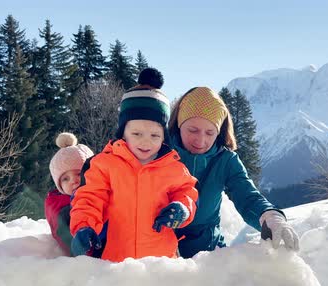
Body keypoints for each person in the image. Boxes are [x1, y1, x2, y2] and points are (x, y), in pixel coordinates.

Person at [69, 68, 199, 262]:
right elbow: (90, 198)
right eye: (137, 134)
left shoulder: (174, 168)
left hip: (162, 264)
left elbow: (188, 193)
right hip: (117, 263)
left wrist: (182, 208)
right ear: (123, 132)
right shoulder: (105, 165)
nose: (146, 142)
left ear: (164, 136)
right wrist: (84, 226)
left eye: (154, 135)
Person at [168, 85, 300, 258]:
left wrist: (270, 215)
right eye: (193, 130)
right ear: (179, 124)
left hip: (207, 254)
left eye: (210, 132)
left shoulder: (225, 160)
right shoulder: (158, 151)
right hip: (158, 253)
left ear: (219, 132)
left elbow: (247, 195)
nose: (201, 140)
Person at [45, 132, 95, 256]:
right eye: (65, 179)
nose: (74, 181)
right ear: (59, 186)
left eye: (78, 173)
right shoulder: (62, 208)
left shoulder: (103, 195)